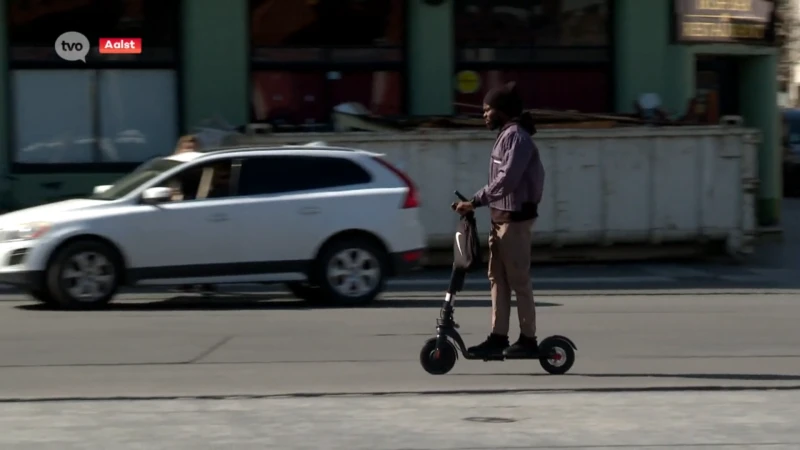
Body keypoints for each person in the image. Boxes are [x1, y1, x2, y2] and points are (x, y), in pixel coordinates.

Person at [453, 81, 545, 359]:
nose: (484, 115)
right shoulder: (507, 135)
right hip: (501, 218)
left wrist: (477, 200)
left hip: (514, 222)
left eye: (487, 109)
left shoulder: (517, 137)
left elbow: (507, 179)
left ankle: (528, 339)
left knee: (518, 281)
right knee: (498, 280)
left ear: (502, 110)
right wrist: (478, 203)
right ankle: (498, 336)